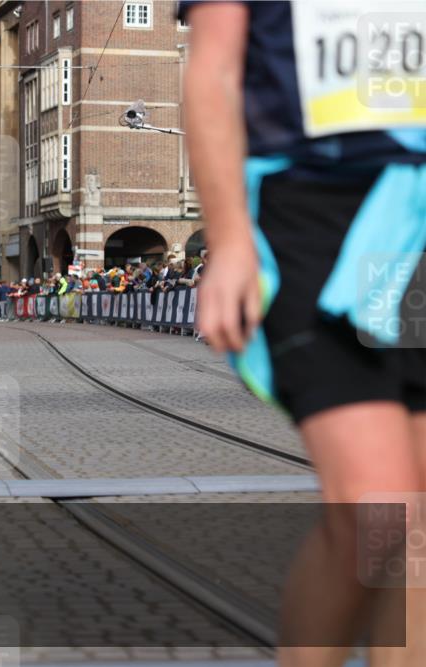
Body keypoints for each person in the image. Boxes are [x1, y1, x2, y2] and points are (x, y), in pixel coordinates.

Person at [183, 2, 426, 665]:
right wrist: (230, 238)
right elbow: (214, 68)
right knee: (382, 508)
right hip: (307, 213)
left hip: (415, 217)